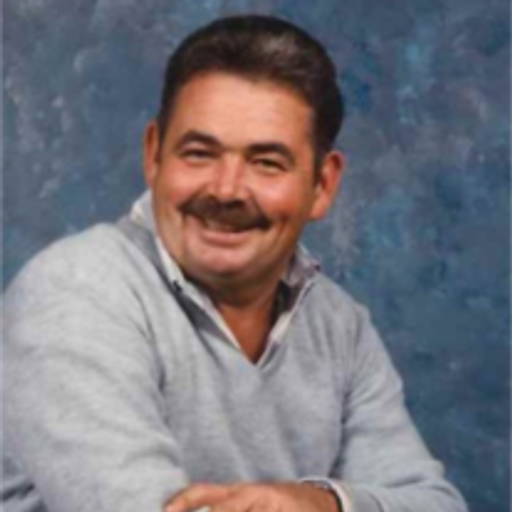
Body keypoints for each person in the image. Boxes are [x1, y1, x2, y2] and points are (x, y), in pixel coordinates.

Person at [0, 14, 467, 512]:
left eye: (266, 163)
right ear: (154, 156)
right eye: (199, 153)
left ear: (323, 184)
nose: (226, 190)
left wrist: (323, 503)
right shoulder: (74, 294)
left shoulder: (340, 328)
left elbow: (435, 505)